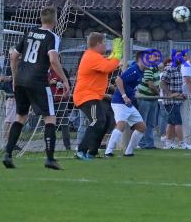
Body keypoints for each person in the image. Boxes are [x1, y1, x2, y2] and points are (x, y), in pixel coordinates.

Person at [2, 7, 71, 170]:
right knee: (50, 118)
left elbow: (13, 56)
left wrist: (14, 77)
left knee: (20, 117)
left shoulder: (30, 32)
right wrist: (65, 79)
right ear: (54, 22)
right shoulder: (52, 36)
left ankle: (7, 154)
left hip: (20, 80)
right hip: (38, 81)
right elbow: (53, 60)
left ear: (41, 20)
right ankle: (50, 159)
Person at [73, 32, 122, 160]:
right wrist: (117, 56)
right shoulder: (91, 56)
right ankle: (81, 150)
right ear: (98, 44)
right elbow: (108, 67)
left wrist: (114, 56)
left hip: (93, 96)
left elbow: (107, 62)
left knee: (105, 121)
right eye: (105, 43)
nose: (106, 46)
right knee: (97, 121)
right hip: (86, 96)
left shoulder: (95, 56)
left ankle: (92, 152)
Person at [104, 51, 148, 157]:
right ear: (140, 59)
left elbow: (129, 84)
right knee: (121, 125)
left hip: (128, 103)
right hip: (119, 102)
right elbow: (118, 80)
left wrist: (132, 93)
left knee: (142, 127)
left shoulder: (140, 70)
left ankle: (129, 152)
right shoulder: (133, 70)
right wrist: (124, 96)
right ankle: (108, 152)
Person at [136, 52, 161, 149]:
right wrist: (158, 93)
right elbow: (150, 84)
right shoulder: (149, 67)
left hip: (152, 98)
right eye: (155, 56)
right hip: (145, 98)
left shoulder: (155, 68)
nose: (157, 58)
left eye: (158, 56)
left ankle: (149, 144)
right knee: (143, 122)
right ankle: (142, 143)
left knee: (151, 123)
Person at [48, 65, 72, 150]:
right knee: (50, 124)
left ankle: (68, 146)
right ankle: (50, 146)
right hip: (49, 100)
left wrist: (63, 85)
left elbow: (69, 84)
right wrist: (49, 82)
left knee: (64, 123)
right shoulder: (44, 69)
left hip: (62, 100)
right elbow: (39, 83)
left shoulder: (63, 70)